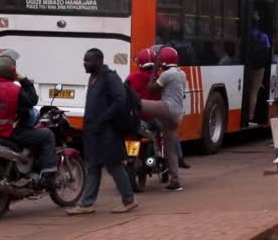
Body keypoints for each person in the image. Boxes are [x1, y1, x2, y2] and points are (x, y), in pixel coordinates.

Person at [67, 48, 137, 215]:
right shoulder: (94, 78)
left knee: (113, 165)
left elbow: (120, 101)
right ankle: (87, 204)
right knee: (93, 166)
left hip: (107, 131)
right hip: (93, 131)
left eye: (88, 60)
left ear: (98, 61)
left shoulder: (110, 77)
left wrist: (103, 119)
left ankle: (129, 200)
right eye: (84, 60)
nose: (85, 63)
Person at [0, 50, 56, 189]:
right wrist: (24, 80)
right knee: (47, 135)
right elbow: (32, 101)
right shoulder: (14, 90)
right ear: (12, 71)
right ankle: (48, 176)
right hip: (9, 133)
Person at [125, 48, 190, 169]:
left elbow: (125, 93)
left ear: (139, 63)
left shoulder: (132, 77)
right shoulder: (163, 77)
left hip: (135, 119)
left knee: (128, 135)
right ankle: (177, 159)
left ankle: (126, 158)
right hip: (155, 119)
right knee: (170, 134)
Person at [140, 47, 187, 191]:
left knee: (137, 104)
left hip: (167, 108)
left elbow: (150, 89)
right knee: (169, 150)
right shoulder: (182, 73)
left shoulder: (166, 74)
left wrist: (155, 70)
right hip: (177, 115)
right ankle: (175, 182)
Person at [248, 16, 271, 122]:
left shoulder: (248, 34)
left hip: (248, 66)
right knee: (254, 91)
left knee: (248, 89)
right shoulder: (264, 36)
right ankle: (251, 115)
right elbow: (268, 51)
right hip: (259, 68)